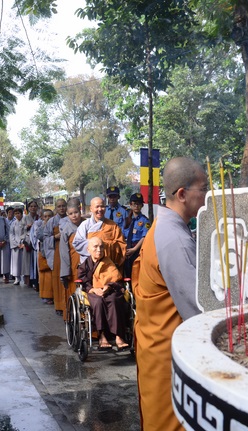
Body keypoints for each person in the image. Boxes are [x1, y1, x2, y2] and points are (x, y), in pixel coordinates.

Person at [133, 157, 208, 430]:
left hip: (156, 344)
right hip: (168, 353)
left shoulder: (165, 226)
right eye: (204, 188)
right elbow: (197, 309)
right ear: (182, 194)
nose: (207, 195)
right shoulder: (175, 239)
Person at [77, 237, 129, 350]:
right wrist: (93, 289)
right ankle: (102, 335)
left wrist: (109, 286)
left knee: (114, 300)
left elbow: (117, 279)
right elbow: (83, 281)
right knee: (98, 302)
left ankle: (119, 336)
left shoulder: (109, 263)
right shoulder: (85, 265)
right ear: (88, 249)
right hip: (93, 291)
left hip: (110, 290)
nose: (99, 250)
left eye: (101, 247)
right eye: (95, 247)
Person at [72, 196, 126, 269]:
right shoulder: (85, 225)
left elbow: (121, 245)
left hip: (108, 264)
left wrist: (107, 246)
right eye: (97, 207)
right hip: (90, 265)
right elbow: (77, 244)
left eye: (102, 206)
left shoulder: (113, 225)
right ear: (91, 209)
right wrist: (95, 246)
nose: (100, 209)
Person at [42, 198, 68, 315]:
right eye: (59, 206)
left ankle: (67, 305)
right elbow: (45, 238)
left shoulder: (70, 219)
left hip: (68, 252)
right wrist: (55, 237)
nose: (61, 208)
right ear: (56, 208)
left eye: (63, 206)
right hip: (56, 252)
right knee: (57, 279)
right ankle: (59, 306)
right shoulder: (51, 221)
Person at [60, 198, 83, 321]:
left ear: (80, 210)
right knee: (73, 290)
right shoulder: (66, 230)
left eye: (76, 212)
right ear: (67, 215)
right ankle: (73, 318)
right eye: (70, 214)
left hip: (87, 263)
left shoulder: (87, 224)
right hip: (73, 266)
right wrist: (66, 272)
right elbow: (64, 253)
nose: (74, 216)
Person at [123, 193, 150, 278]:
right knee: (126, 274)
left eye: (139, 204)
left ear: (142, 205)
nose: (136, 206)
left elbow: (144, 237)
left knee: (136, 273)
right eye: (134, 204)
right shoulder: (127, 220)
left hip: (137, 250)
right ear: (130, 205)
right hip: (126, 250)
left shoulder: (145, 221)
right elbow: (122, 235)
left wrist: (134, 249)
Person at [36, 209, 54, 304]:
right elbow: (40, 237)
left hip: (53, 254)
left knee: (52, 277)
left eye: (49, 216)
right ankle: (45, 296)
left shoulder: (55, 226)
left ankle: (53, 296)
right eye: (45, 216)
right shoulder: (40, 228)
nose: (47, 218)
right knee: (44, 277)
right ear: (42, 217)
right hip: (43, 254)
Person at [21, 200, 40, 288]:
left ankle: (36, 280)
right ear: (28, 208)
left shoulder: (39, 217)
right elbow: (21, 229)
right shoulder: (25, 218)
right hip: (28, 242)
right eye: (31, 206)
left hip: (37, 242)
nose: (33, 208)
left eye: (34, 206)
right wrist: (27, 226)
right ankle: (28, 280)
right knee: (27, 261)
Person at [9, 207, 26, 284]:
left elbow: (26, 232)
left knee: (24, 262)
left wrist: (23, 243)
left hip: (23, 244)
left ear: (21, 214)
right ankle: (17, 278)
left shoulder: (25, 222)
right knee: (16, 262)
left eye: (18, 213)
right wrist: (16, 243)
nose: (17, 215)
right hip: (16, 245)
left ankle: (25, 278)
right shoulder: (13, 223)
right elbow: (11, 234)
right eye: (15, 214)